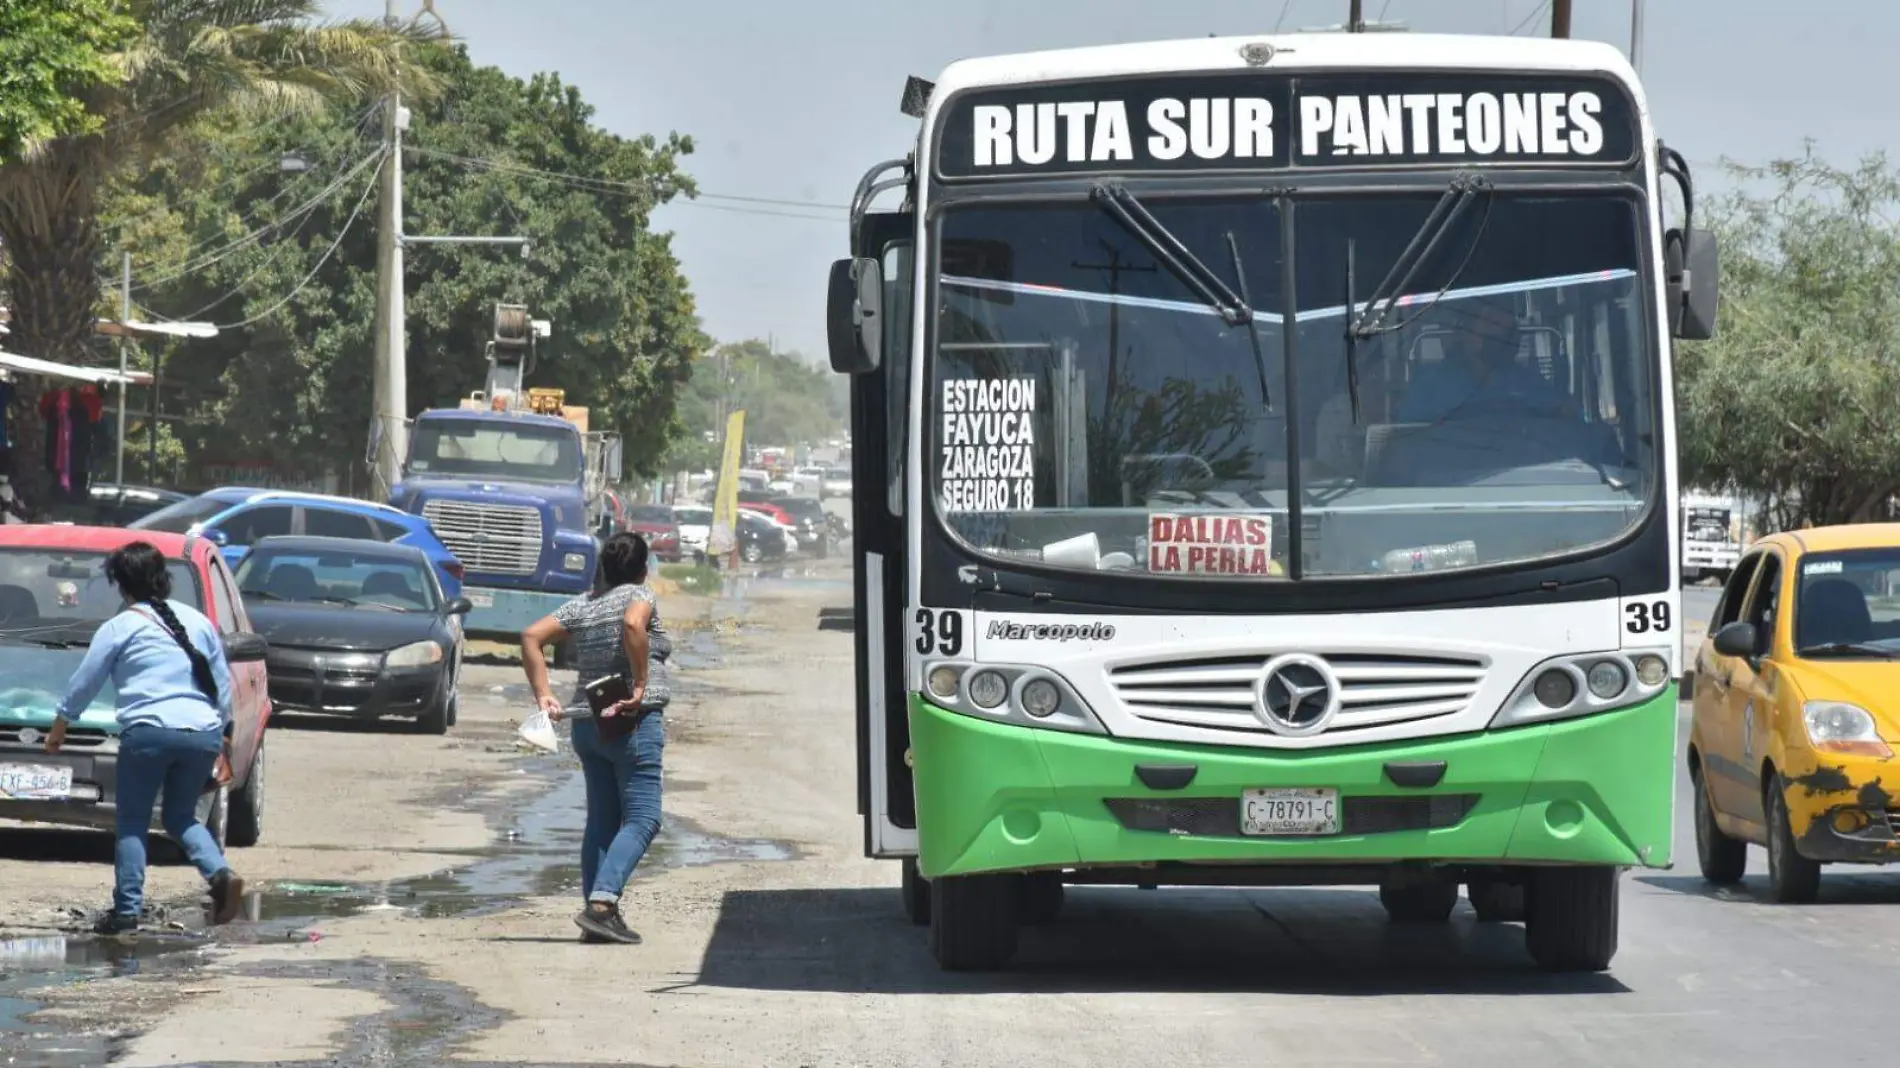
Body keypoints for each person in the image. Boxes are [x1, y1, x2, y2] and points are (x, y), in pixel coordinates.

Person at [44, 541, 245, 934]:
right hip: (201, 733)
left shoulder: (120, 626)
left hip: (149, 733)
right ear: (163, 579)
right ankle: (221, 874)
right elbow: (222, 686)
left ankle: (126, 912)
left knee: (133, 821)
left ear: (121, 584)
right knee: (180, 816)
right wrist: (224, 738)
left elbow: (85, 681)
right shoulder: (199, 622)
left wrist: (60, 727)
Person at [519, 532, 671, 944]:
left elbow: (531, 635)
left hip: (587, 724)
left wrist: (544, 695)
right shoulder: (639, 595)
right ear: (643, 570)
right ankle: (602, 904)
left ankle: (597, 916)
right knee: (643, 817)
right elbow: (633, 623)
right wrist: (640, 683)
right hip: (630, 722)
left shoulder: (584, 604)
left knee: (602, 821)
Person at [1396, 300, 1568, 423]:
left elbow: (1567, 422)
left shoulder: (1530, 383)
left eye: (1507, 329)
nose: (1500, 334)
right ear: (1466, 334)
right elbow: (1408, 440)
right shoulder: (1430, 386)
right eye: (1491, 324)